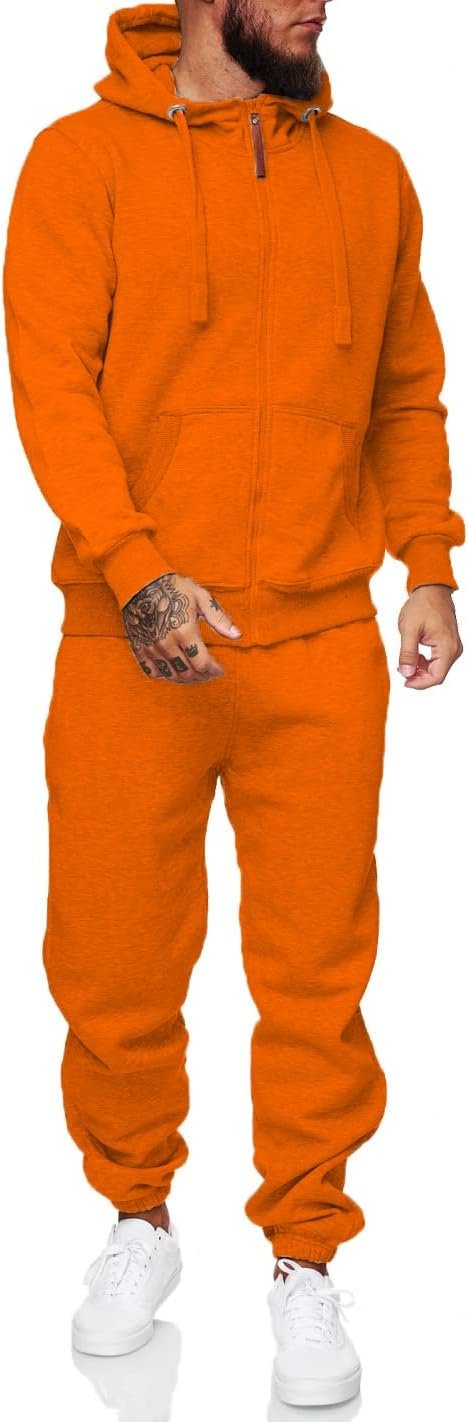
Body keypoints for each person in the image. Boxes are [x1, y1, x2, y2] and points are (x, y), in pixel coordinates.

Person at [3, 0, 464, 1406]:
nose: (318, 3)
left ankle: (306, 1254)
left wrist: (428, 565)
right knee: (114, 959)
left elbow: (405, 388)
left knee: (319, 972)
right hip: (127, 640)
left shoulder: (372, 172)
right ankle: (137, 1217)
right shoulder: (81, 160)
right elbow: (52, 385)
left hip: (319, 640)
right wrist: (137, 568)